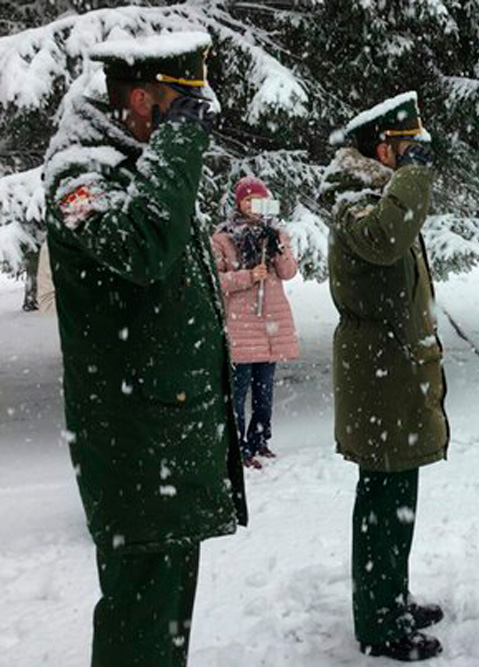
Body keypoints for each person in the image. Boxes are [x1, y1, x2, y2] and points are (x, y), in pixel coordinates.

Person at [43, 32, 247, 666]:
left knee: (164, 617)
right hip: (135, 446)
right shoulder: (81, 176)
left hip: (167, 434)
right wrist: (179, 141)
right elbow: (141, 248)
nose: (195, 124)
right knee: (141, 618)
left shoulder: (138, 169)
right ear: (140, 101)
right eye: (181, 106)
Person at [321, 91, 447, 661]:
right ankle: (377, 622)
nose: (417, 156)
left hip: (395, 368)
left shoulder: (375, 196)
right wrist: (414, 177)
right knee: (381, 497)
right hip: (377, 373)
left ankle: (391, 594)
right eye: (406, 147)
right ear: (381, 148)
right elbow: (385, 238)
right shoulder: (355, 202)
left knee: (399, 491)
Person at [212, 176, 300, 469]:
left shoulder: (274, 234)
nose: (252, 206)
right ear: (238, 203)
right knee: (238, 391)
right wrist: (248, 277)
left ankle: (260, 439)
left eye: (257, 200)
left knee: (265, 389)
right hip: (241, 326)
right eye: (247, 200)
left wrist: (280, 248)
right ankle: (237, 447)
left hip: (270, 324)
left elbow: (287, 273)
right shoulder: (223, 238)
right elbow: (215, 281)